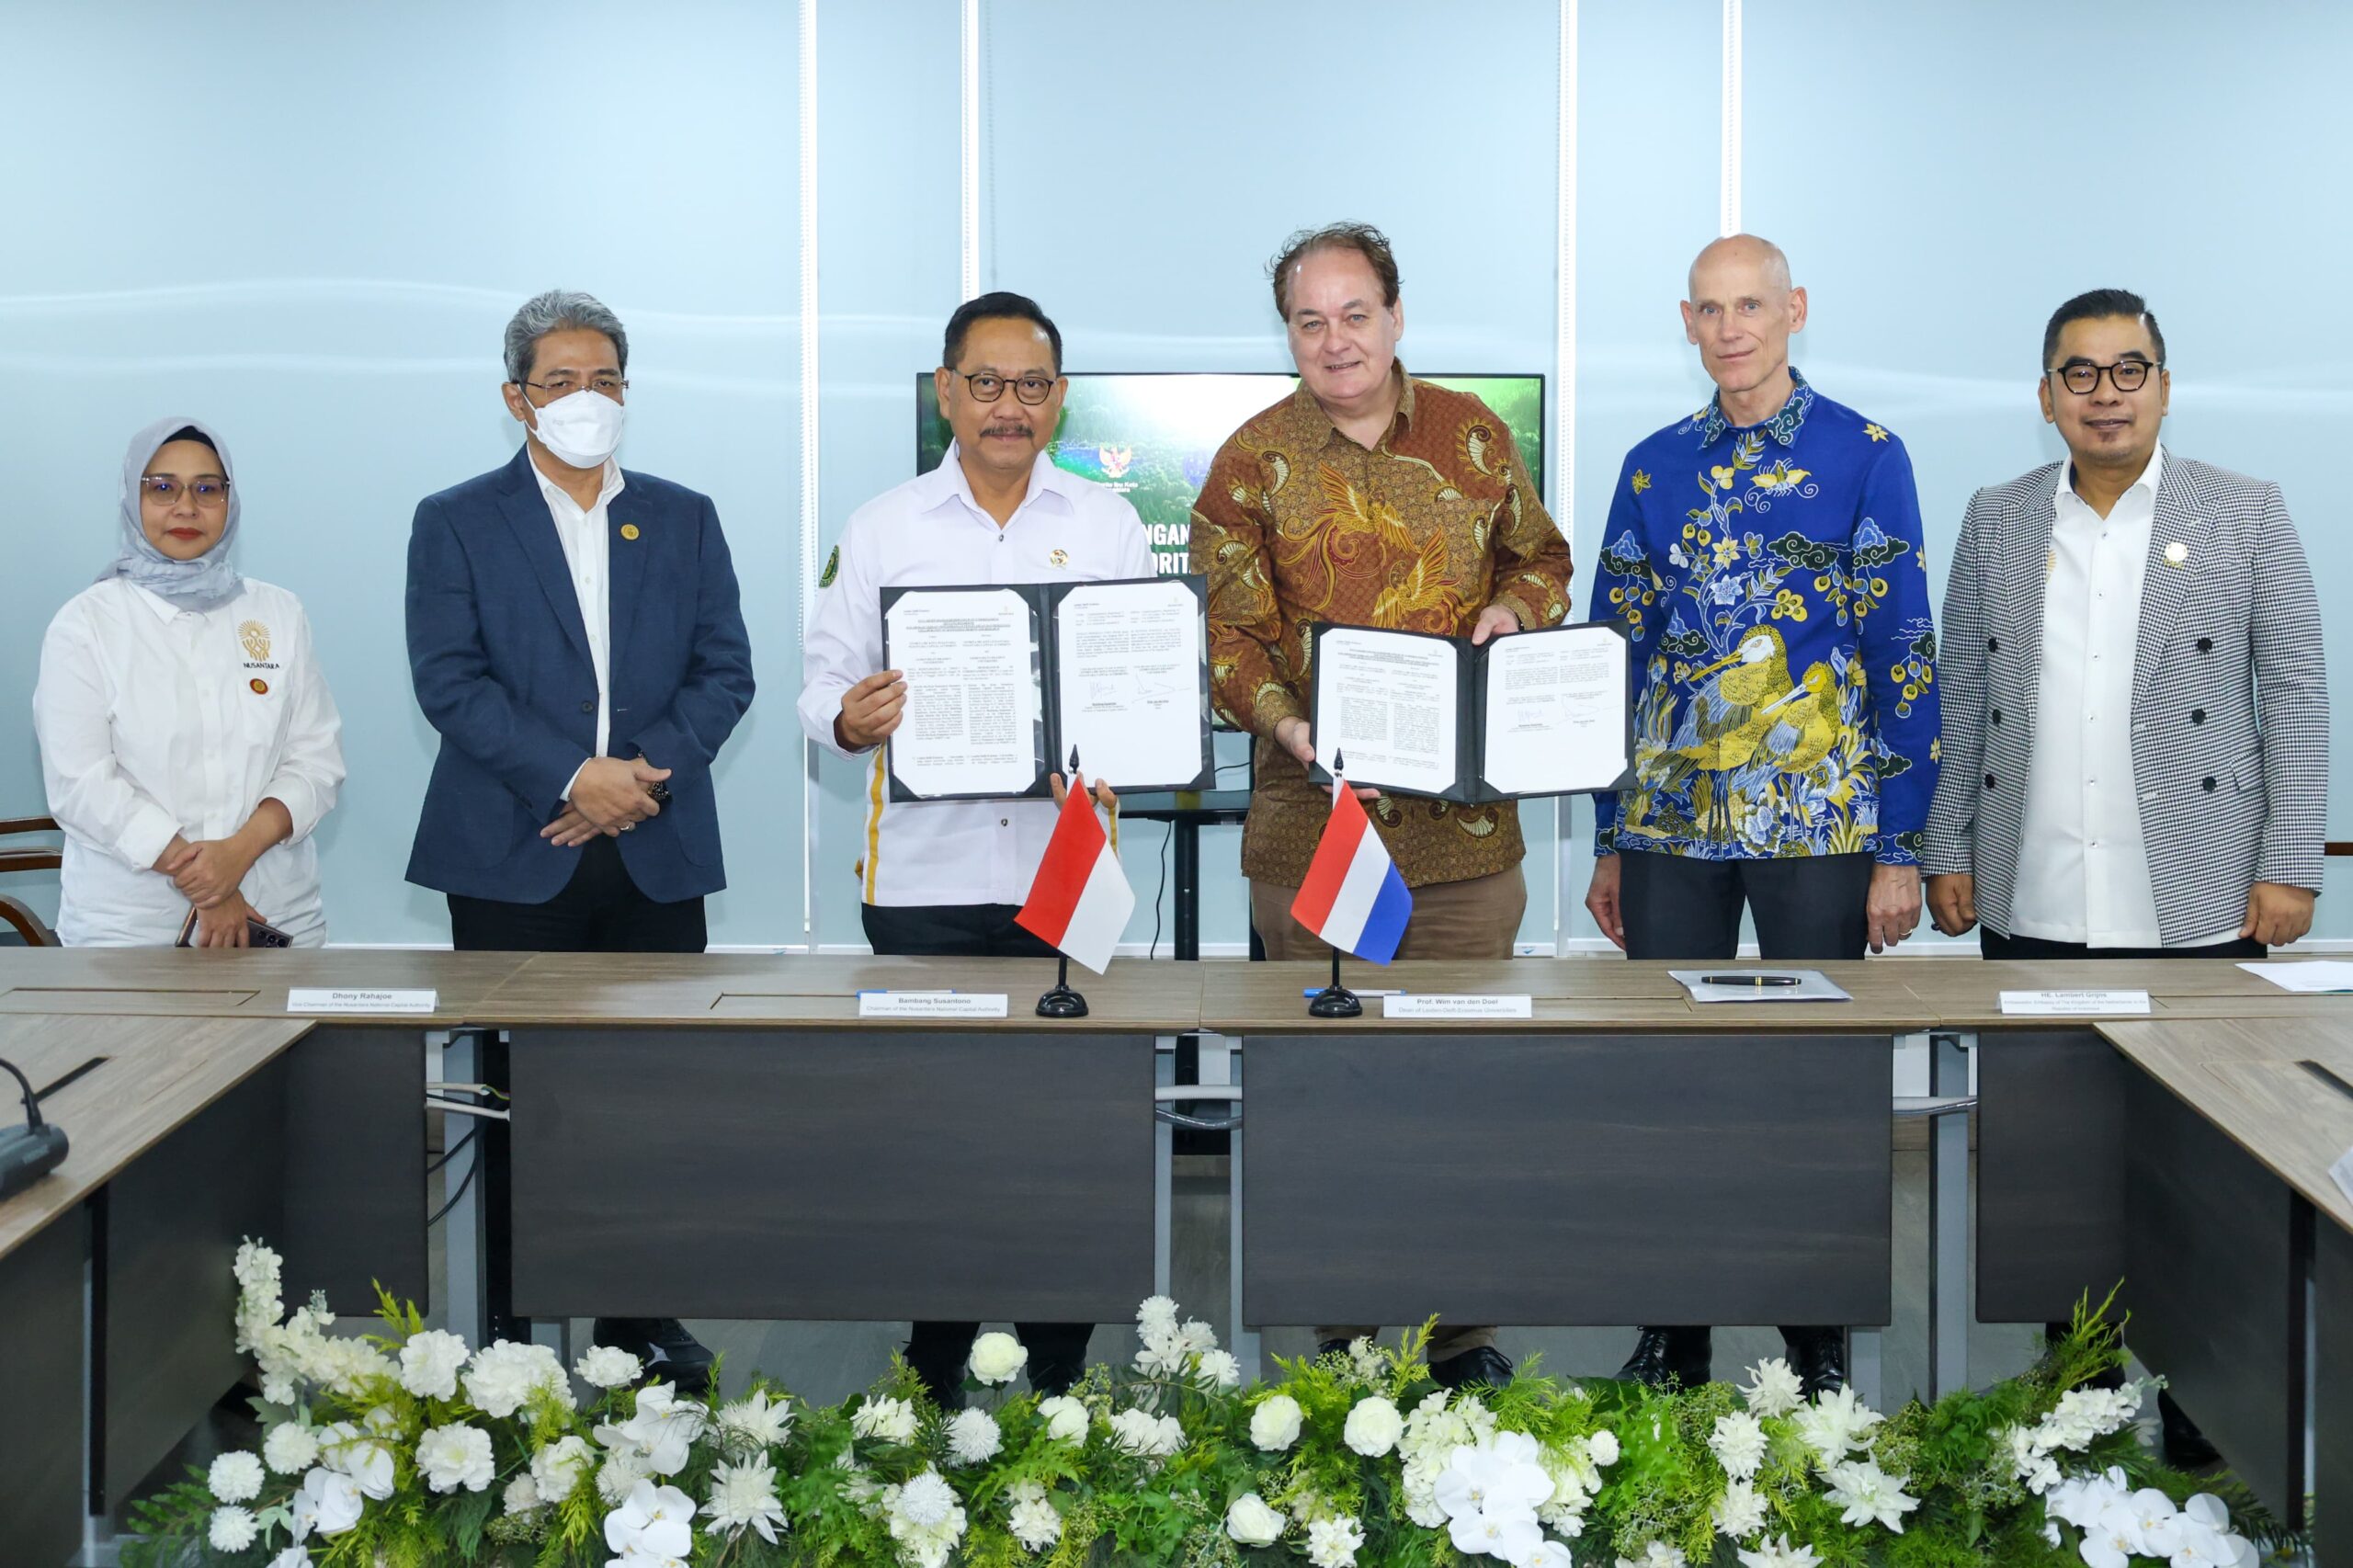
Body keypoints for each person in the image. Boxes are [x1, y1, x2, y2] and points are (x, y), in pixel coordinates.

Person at [1923, 287, 2326, 1465]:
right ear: (2045, 396)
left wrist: (2287, 859)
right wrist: (1948, 846)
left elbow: (2294, 693)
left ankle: (2202, 1390)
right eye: (2081, 372)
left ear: (2163, 383)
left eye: (2129, 368)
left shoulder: (2243, 512)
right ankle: (2076, 1370)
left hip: (2196, 895)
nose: (2107, 392)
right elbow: (1960, 695)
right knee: (2051, 1156)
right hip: (2034, 890)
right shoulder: (1996, 517)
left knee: (2206, 1167)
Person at [1189, 222, 1574, 1392]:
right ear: (1289, 334)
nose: (1334, 339)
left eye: (1354, 313)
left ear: (1395, 318)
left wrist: (1514, 617)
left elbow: (1541, 561)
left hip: (1464, 842)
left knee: (1460, 1098)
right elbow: (1227, 629)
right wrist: (1282, 718)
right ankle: (1340, 1344)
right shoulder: (1250, 458)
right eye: (1309, 320)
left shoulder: (1470, 433)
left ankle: (1461, 1341)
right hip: (1313, 833)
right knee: (1324, 1099)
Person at [1584, 234, 1941, 1396]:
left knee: (1815, 1086)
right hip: (1669, 823)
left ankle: (1816, 1330)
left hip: (1817, 823)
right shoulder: (1650, 466)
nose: (1732, 327)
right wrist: (1606, 834)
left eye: (1752, 305)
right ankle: (1673, 1325)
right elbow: (1611, 658)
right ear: (1685, 322)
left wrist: (1899, 844)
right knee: (1665, 1081)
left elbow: (1903, 649)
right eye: (1710, 309)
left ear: (1792, 310)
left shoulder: (1865, 454)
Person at [799, 290, 1149, 1406]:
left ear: (1059, 397)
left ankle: (1060, 1366)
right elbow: (819, 685)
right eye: (986, 384)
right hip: (925, 876)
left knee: (1072, 1132)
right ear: (947, 390)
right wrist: (853, 718)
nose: (1010, 406)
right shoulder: (882, 526)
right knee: (931, 1133)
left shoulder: (1108, 525)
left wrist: (1126, 731)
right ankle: (933, 1359)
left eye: (1033, 385)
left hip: (1067, 874)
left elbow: (1142, 681)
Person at [405, 289, 755, 1386]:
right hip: (515, 853)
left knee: (648, 1098)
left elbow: (724, 671)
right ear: (517, 398)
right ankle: (513, 1325)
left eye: (605, 379)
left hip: (652, 851)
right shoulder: (456, 517)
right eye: (560, 381)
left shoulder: (683, 514)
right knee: (518, 1099)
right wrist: (574, 777)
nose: (585, 399)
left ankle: (640, 1318)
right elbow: (448, 680)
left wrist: (634, 780)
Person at [35, 418, 345, 948]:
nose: (186, 507)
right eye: (162, 488)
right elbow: (81, 785)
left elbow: (316, 762)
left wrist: (236, 854)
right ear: (133, 500)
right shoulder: (85, 624)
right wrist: (210, 886)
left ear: (230, 500)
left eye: (207, 488)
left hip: (276, 915)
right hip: (129, 932)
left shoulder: (277, 613)